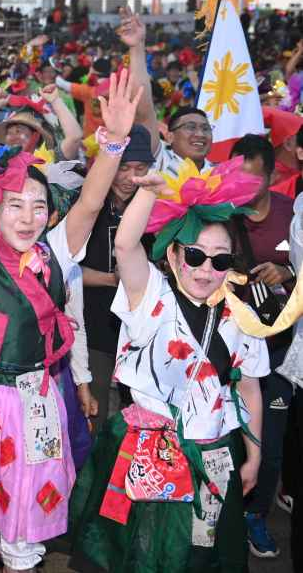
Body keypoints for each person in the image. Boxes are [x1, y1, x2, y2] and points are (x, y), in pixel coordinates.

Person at [0, 66, 140, 573]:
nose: (27, 216)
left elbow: (88, 203)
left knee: (25, 542)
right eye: (15, 205)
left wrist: (112, 143)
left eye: (38, 206)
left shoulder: (56, 253)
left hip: (35, 403)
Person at [68, 156, 274, 573]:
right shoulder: (151, 298)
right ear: (175, 254)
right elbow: (125, 245)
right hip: (148, 449)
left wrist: (253, 456)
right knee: (140, 554)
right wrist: (150, 190)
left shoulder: (240, 317)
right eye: (195, 255)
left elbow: (249, 388)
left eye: (220, 260)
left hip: (213, 451)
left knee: (201, 553)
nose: (205, 269)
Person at [231, 134, 296, 558]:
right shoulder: (221, 213)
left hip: (280, 347)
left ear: (272, 177)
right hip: (230, 347)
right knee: (229, 433)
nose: (242, 187)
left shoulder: (294, 213)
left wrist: (287, 270)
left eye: (251, 180)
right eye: (235, 177)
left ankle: (256, 515)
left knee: (271, 438)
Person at [80, 124, 154, 431]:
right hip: (96, 332)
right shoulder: (88, 207)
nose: (130, 177)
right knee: (94, 421)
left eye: (140, 168)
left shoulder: (154, 206)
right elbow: (65, 269)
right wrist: (113, 280)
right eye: (123, 167)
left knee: (136, 423)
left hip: (142, 337)